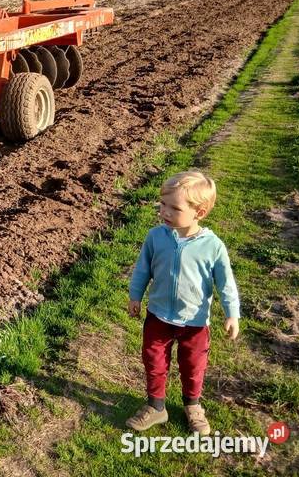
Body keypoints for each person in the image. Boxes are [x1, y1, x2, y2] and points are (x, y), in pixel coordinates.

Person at [126, 170, 240, 436]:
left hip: (194, 322)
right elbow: (142, 269)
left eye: (174, 208)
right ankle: (156, 406)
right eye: (162, 204)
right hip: (158, 316)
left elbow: (226, 283)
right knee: (154, 362)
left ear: (199, 212)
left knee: (193, 366)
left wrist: (232, 313)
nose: (164, 212)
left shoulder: (213, 247)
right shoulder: (156, 237)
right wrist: (135, 296)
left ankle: (193, 405)